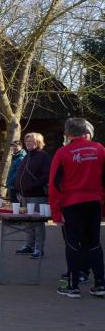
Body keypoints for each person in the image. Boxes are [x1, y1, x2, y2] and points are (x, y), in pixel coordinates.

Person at [51, 117, 105, 299]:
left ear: (68, 133)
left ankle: (73, 286)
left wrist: (56, 212)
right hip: (94, 203)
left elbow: (54, 185)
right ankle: (100, 283)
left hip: (71, 204)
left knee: (73, 243)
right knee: (94, 243)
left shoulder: (63, 152)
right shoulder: (100, 149)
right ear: (86, 131)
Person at [15, 132, 51, 259]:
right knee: (28, 222)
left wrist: (32, 186)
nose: (28, 144)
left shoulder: (44, 156)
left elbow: (46, 175)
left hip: (37, 195)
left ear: (38, 142)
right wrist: (18, 188)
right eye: (27, 141)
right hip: (24, 195)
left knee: (37, 222)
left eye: (31, 141)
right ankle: (29, 246)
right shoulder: (27, 156)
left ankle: (39, 249)